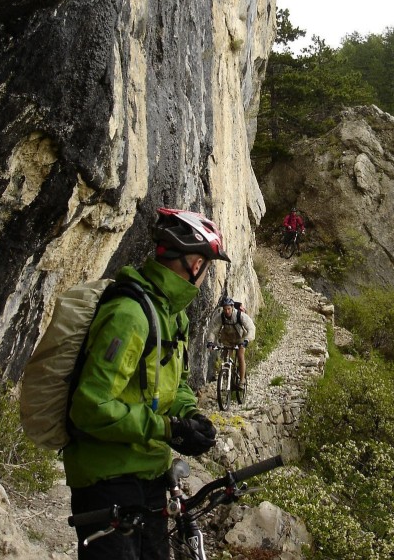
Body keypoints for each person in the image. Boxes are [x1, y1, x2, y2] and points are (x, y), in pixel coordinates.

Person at [65, 208, 230, 560]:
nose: (205, 276)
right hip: (106, 477)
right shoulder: (129, 315)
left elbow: (176, 381)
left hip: (149, 472)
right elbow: (90, 406)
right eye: (207, 266)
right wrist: (166, 428)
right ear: (194, 265)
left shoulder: (173, 314)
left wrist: (188, 416)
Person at [206, 298, 256, 387]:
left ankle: (242, 380)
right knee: (226, 359)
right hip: (228, 340)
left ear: (232, 307)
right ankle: (228, 376)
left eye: (228, 309)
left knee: (240, 356)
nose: (227, 311)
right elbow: (213, 331)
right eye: (225, 309)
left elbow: (251, 328)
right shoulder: (220, 317)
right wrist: (210, 341)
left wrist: (246, 340)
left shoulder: (240, 315)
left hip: (240, 339)